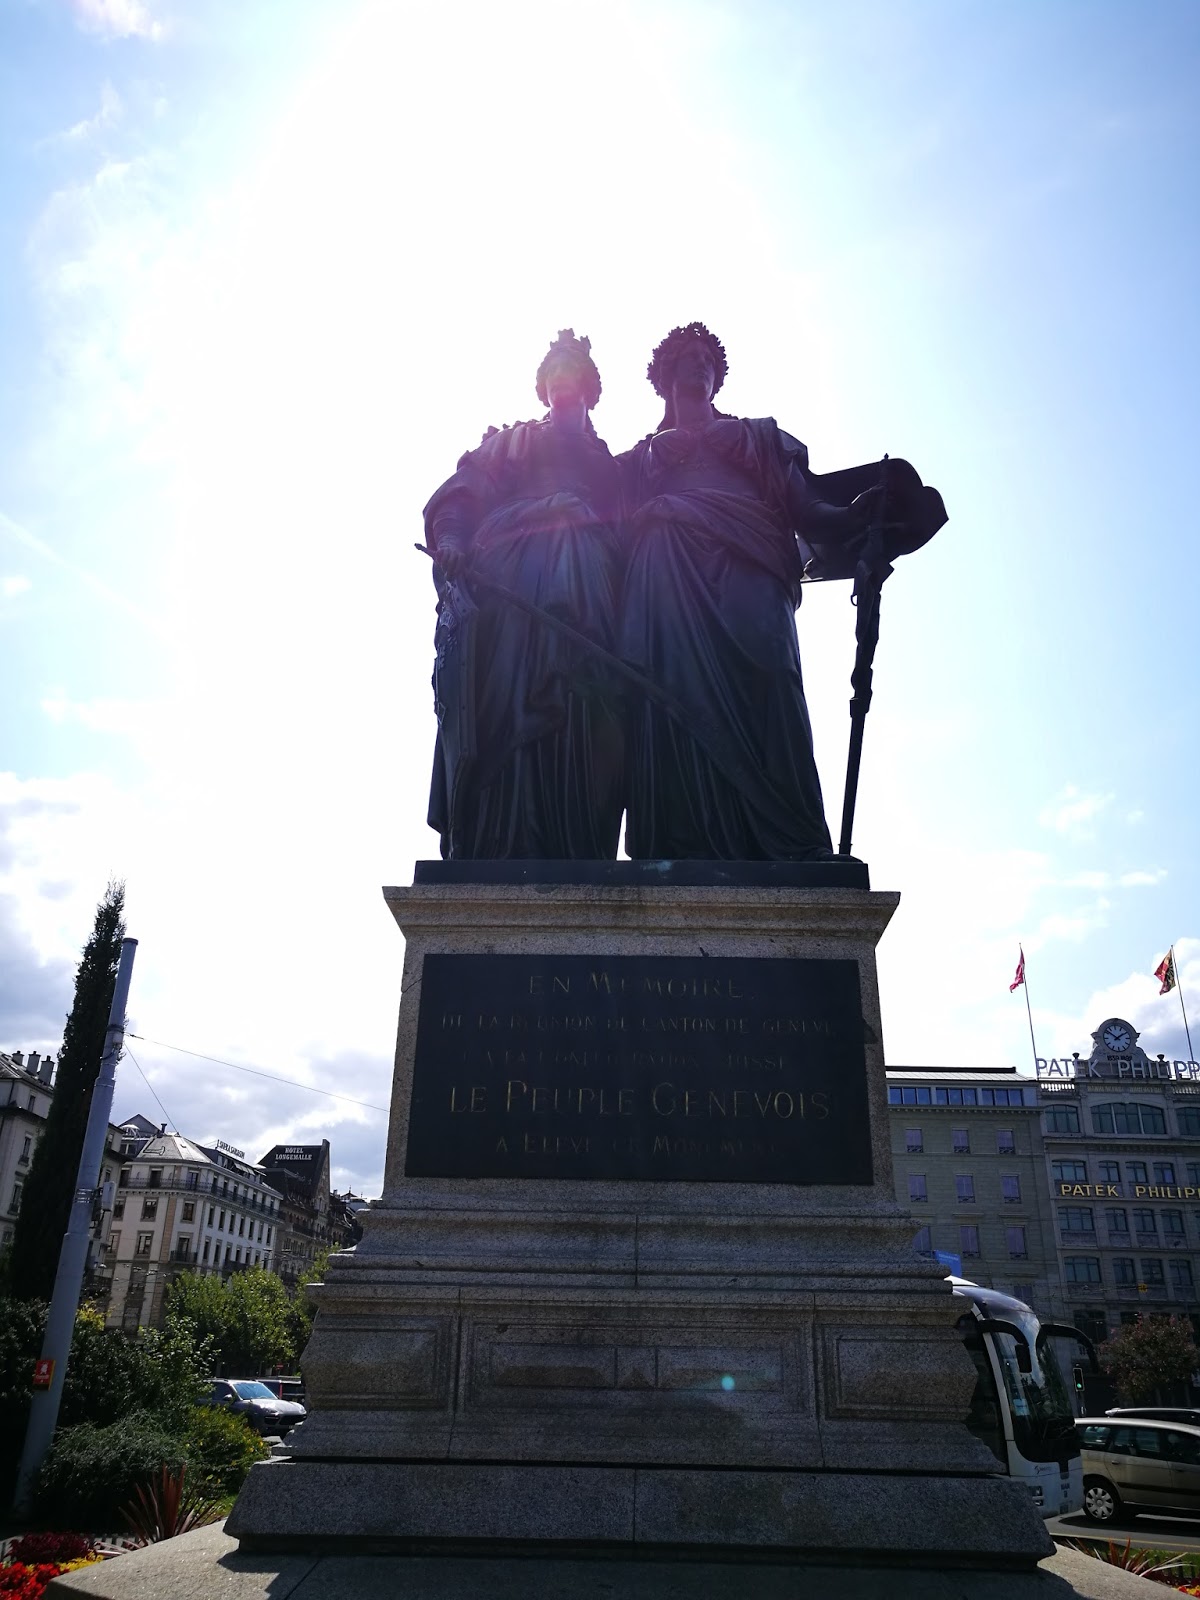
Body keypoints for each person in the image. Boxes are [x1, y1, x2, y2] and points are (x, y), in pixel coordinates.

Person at [617, 322, 886, 861]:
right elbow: (606, 530)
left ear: (718, 377)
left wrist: (858, 520)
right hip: (669, 572)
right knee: (672, 694)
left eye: (707, 360)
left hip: (752, 561)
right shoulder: (639, 459)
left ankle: (795, 842)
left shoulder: (757, 437)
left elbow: (805, 508)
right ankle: (679, 842)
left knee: (773, 680)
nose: (700, 364)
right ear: (664, 377)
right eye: (688, 358)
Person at [424, 331, 624, 859]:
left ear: (590, 388)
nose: (562, 380)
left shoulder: (610, 464)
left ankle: (574, 838)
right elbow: (460, 496)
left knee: (583, 698)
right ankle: (502, 832)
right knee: (509, 698)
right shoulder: (511, 442)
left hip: (589, 590)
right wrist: (451, 541)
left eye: (572, 371)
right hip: (511, 578)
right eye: (554, 371)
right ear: (542, 386)